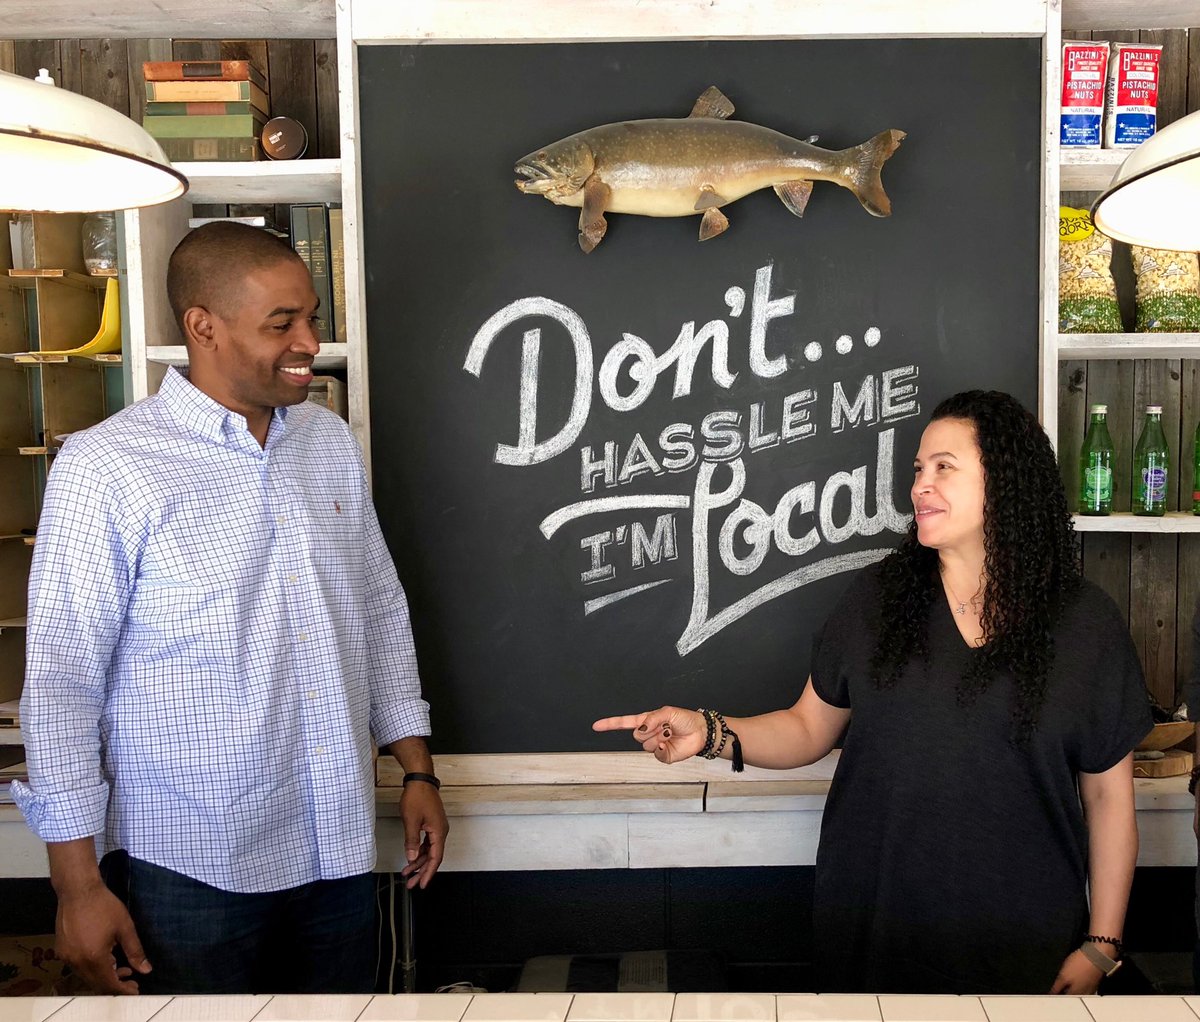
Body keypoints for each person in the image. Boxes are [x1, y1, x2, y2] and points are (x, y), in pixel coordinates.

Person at [12, 222, 448, 996]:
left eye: (311, 317)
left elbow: (377, 609)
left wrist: (418, 771)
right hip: (190, 870)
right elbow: (62, 683)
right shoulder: (106, 467)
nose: (309, 342)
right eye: (282, 323)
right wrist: (76, 887)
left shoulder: (326, 442)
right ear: (203, 326)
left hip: (337, 846)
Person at [595, 390, 1151, 995]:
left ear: (1007, 481)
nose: (920, 486)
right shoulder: (879, 599)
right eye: (917, 468)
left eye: (944, 467)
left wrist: (1102, 944)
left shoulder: (1084, 623)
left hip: (1026, 942)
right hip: (879, 928)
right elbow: (807, 728)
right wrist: (710, 731)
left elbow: (1108, 798)